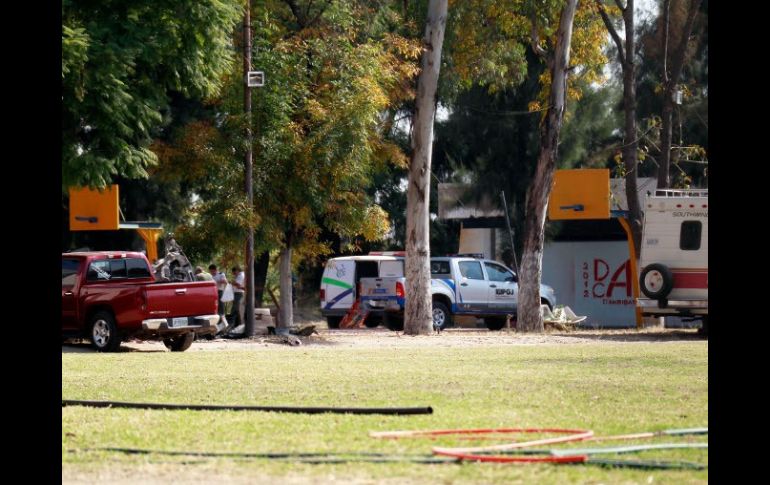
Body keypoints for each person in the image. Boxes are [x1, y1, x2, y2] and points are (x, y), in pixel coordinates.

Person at [229, 265, 246, 331]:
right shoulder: (240, 275)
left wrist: (232, 282)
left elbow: (238, 285)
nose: (234, 274)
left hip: (238, 294)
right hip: (237, 293)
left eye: (234, 273)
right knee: (236, 309)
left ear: (237, 271)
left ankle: (232, 325)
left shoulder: (240, 276)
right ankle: (236, 324)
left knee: (235, 309)